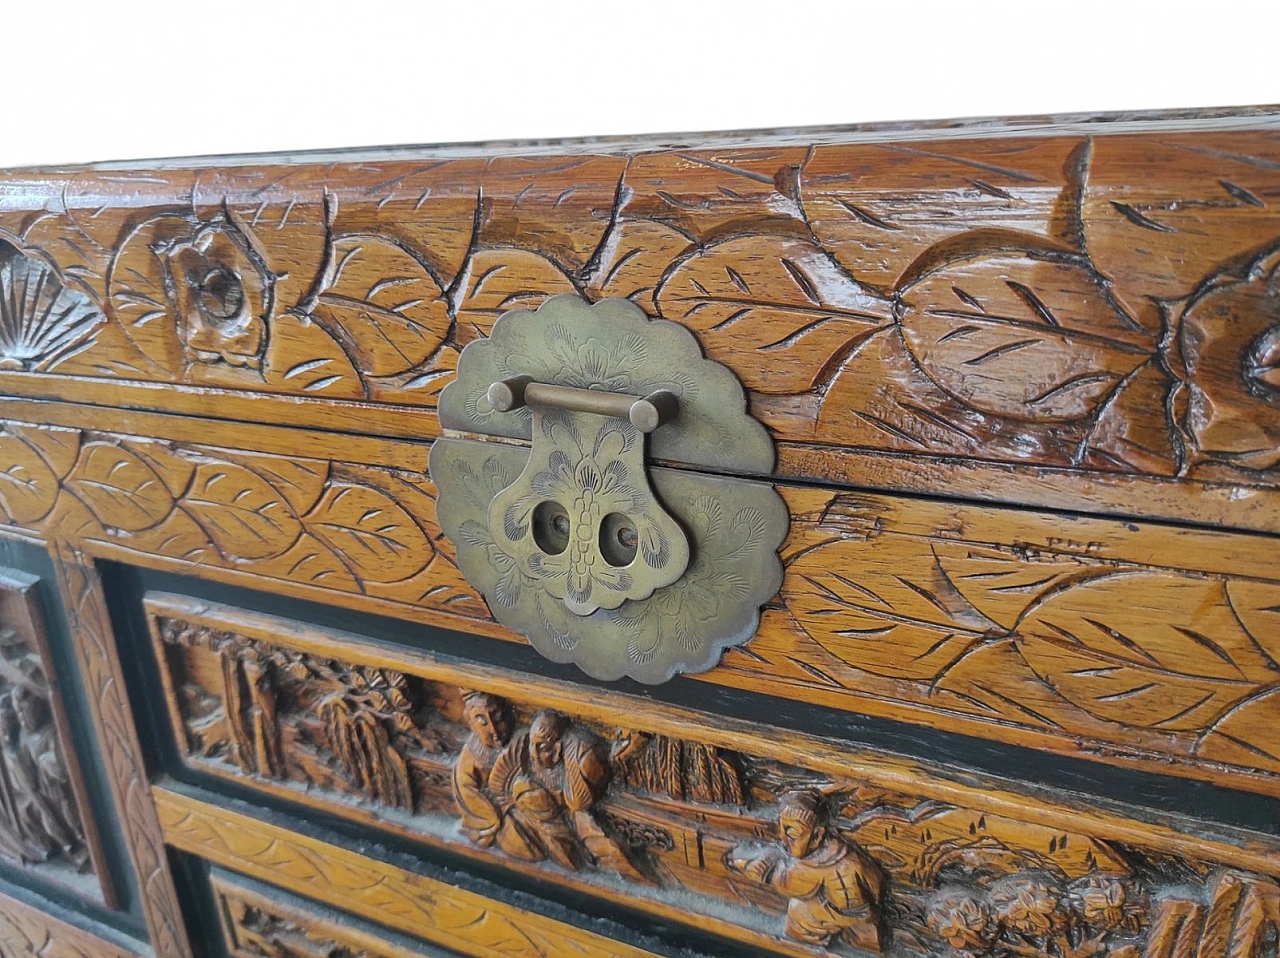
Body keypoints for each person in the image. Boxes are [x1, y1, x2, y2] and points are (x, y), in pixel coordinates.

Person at [728, 791, 885, 950]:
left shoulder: (833, 866)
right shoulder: (831, 852)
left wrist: (762, 870)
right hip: (847, 918)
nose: (782, 840)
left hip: (854, 929)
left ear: (817, 836)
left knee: (798, 910)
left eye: (792, 833)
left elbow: (788, 883)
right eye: (781, 829)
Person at [451, 692, 537, 860]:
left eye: (499, 719)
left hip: (532, 807)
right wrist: (500, 810)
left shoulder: (522, 741)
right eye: (482, 721)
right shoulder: (471, 756)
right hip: (498, 817)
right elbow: (465, 790)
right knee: (525, 847)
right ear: (470, 722)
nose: (494, 730)